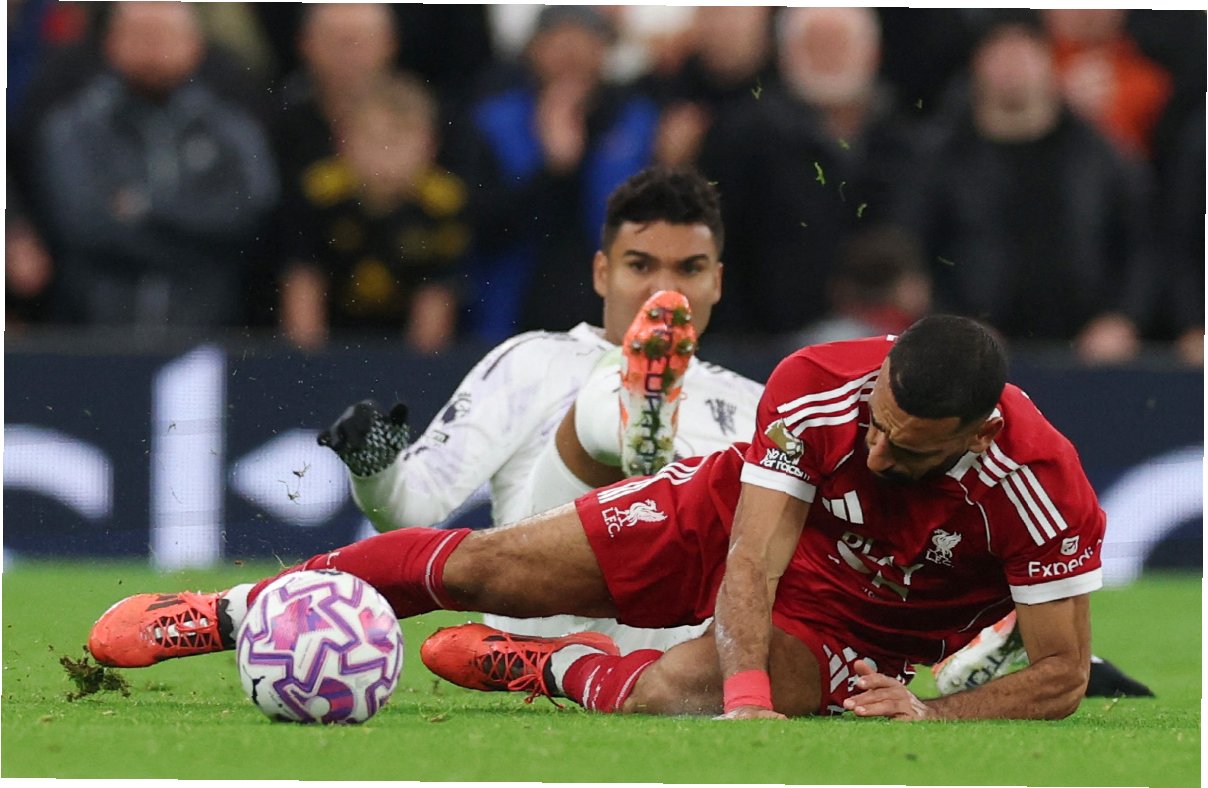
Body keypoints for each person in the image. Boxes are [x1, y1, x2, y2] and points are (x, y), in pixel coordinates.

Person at [91, 315, 1110, 720]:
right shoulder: (817, 385)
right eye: (875, 422)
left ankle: (550, 666)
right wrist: (748, 698)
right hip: (732, 518)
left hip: (852, 622)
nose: (876, 451)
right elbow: (751, 558)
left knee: (672, 694)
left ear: (976, 433)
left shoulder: (1041, 486)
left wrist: (931, 714)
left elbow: (1062, 673)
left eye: (908, 449)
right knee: (489, 565)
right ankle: (227, 612)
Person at [288, 165, 762, 651]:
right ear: (602, 272)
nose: (663, 292)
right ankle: (626, 429)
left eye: (689, 269)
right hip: (549, 634)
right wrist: (376, 471)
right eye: (640, 266)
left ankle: (645, 442)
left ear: (717, 281)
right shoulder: (532, 362)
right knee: (601, 437)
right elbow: (411, 509)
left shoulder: (753, 402)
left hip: (678, 661)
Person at [893, 17, 1157, 364]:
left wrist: (1122, 320)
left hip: (1089, 356)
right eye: (999, 52)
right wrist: (956, 327)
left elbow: (1142, 246)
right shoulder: (936, 160)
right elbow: (911, 256)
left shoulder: (1103, 156)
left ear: (1050, 61)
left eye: (1025, 52)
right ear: (976, 64)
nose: (1012, 66)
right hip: (966, 361)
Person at [26, 1, 279, 329]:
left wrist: (143, 208)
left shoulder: (232, 130)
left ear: (196, 45)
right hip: (93, 332)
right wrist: (189, 232)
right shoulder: (74, 127)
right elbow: (80, 223)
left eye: (164, 36)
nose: (152, 50)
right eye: (140, 35)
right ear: (111, 42)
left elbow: (246, 216)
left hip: (210, 330)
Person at [450, 5, 660, 341]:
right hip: (512, 314)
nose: (571, 55)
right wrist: (552, 171)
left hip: (616, 315)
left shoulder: (639, 121)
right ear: (533, 50)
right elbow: (479, 224)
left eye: (583, 41)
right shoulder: (494, 122)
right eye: (558, 41)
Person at [276, 72, 471, 351]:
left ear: (430, 147)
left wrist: (414, 373)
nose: (385, 156)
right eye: (373, 139)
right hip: (330, 345)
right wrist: (309, 367)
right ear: (342, 141)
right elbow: (303, 289)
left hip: (404, 351)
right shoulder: (317, 195)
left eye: (400, 141)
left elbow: (435, 304)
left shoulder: (445, 206)